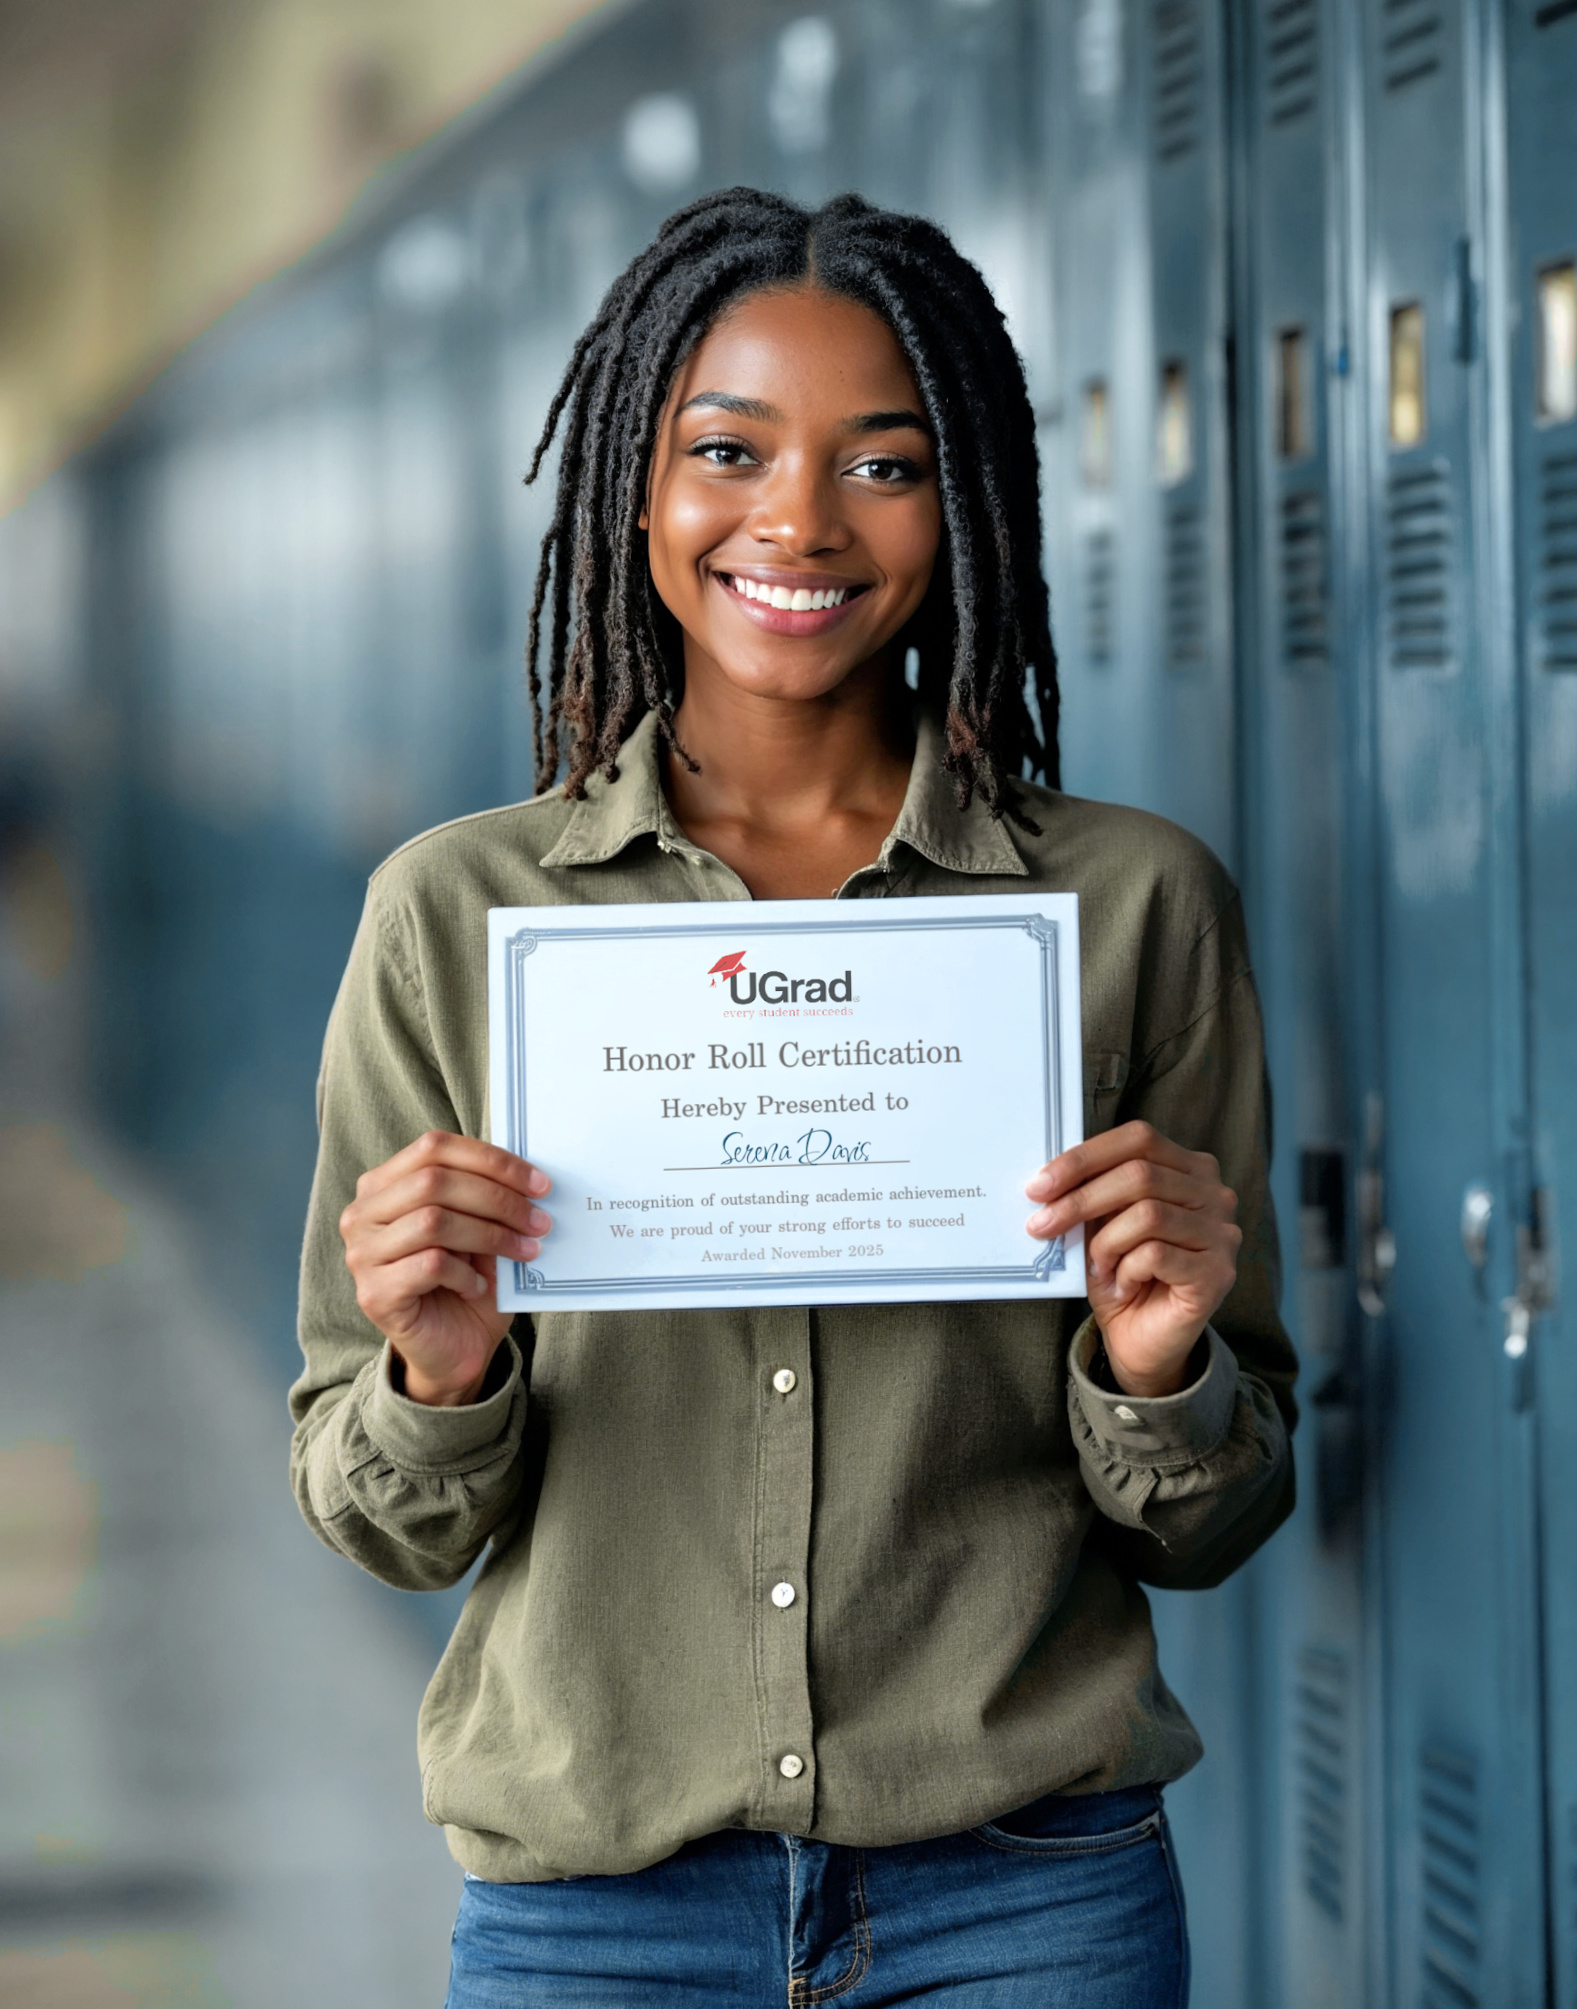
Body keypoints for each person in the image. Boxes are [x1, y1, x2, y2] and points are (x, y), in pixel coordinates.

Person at [290, 188, 1296, 2007]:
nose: (798, 522)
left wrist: (1156, 1366)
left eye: (884, 463)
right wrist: (439, 1372)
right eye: (726, 451)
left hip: (1025, 1894)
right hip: (596, 1903)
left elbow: (1216, 1517)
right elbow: (380, 1520)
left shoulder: (1132, 908)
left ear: (967, 499)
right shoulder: (458, 917)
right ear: (633, 489)